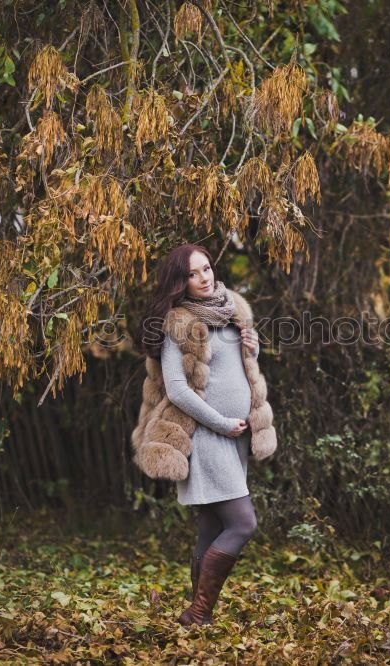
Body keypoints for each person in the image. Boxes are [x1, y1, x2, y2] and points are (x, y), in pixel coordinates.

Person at [132, 242, 276, 626]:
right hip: (208, 434)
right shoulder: (177, 323)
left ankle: (197, 615)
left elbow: (238, 368)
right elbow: (178, 390)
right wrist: (222, 423)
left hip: (236, 437)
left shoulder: (231, 312)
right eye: (192, 274)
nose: (203, 278)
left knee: (212, 526)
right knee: (243, 524)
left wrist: (253, 348)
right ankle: (198, 612)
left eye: (206, 269)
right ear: (180, 282)